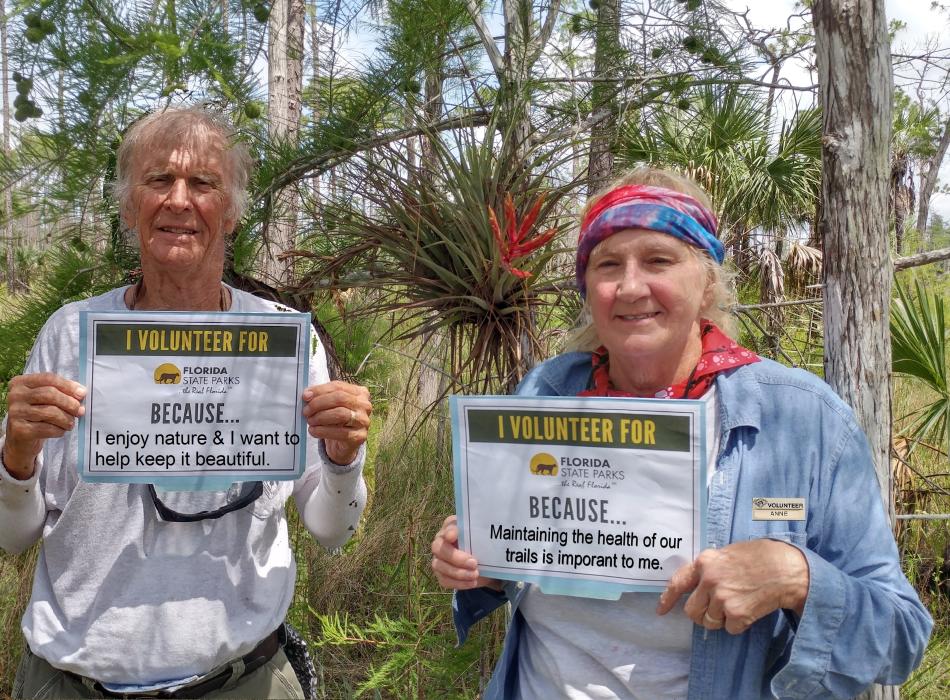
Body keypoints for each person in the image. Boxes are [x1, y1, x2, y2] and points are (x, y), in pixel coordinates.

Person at [430, 167, 932, 699]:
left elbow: (902, 637)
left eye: (658, 260)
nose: (629, 286)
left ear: (707, 279)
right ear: (587, 288)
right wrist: (475, 560)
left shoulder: (806, 419)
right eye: (607, 265)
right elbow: (511, 564)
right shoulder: (543, 393)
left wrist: (796, 577)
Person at [0, 107, 372, 699]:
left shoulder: (281, 341)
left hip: (242, 681)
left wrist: (343, 457)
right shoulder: (71, 335)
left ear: (231, 212)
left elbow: (330, 530)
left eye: (203, 183)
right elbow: (11, 536)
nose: (179, 200)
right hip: (73, 681)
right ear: (129, 207)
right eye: (157, 180)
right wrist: (17, 454)